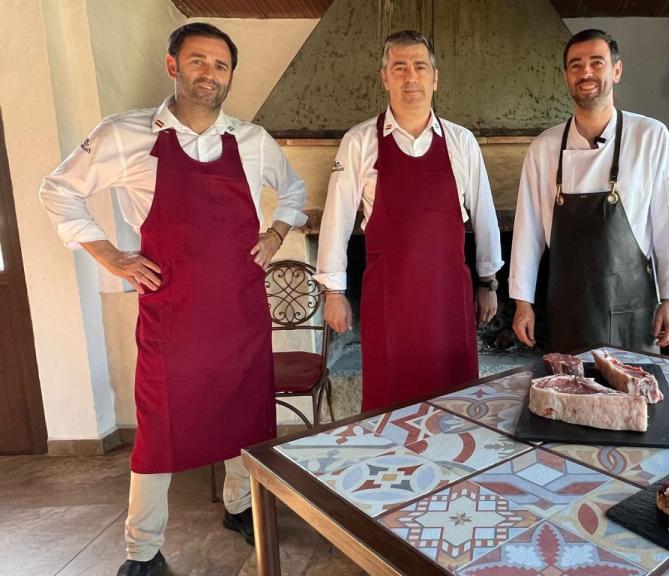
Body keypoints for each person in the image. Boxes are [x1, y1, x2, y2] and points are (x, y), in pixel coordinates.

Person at [39, 23, 307, 576]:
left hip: (239, 311)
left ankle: (239, 506)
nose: (209, 73)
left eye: (220, 65)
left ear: (230, 77)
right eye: (198, 60)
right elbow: (58, 189)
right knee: (159, 428)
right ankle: (142, 550)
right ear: (173, 66)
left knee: (245, 415)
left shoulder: (252, 140)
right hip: (171, 313)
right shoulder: (125, 134)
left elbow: (295, 192)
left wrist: (276, 234)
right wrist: (110, 255)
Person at [315, 30, 503, 412]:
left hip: (448, 299)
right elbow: (336, 219)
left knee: (455, 403)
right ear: (384, 78)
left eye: (420, 66)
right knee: (390, 406)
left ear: (435, 77)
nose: (411, 77)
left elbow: (485, 216)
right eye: (399, 67)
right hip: (389, 299)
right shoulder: (359, 142)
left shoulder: (461, 141)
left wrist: (489, 282)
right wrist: (333, 293)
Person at [509, 29, 669, 353]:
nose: (586, 72)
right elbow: (527, 231)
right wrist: (523, 303)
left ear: (616, 71)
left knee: (634, 387)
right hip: (566, 316)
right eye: (576, 65)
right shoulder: (544, 147)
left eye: (597, 62)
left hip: (633, 315)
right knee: (567, 386)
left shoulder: (650, 137)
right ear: (566, 76)